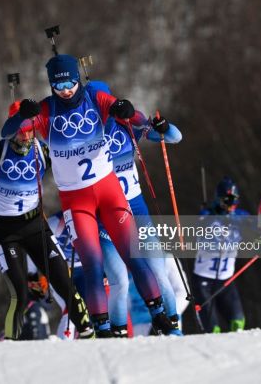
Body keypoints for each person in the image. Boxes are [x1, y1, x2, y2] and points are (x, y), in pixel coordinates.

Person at [2, 54, 178, 336]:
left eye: (70, 83)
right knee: (93, 266)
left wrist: (128, 110)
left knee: (134, 256)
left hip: (110, 194)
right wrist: (21, 115)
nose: (66, 91)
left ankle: (159, 315)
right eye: (59, 86)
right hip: (76, 201)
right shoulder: (45, 111)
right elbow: (7, 132)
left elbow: (135, 117)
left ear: (77, 79)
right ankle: (103, 329)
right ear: (51, 85)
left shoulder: (96, 99)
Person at [0, 102, 94, 340]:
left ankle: (89, 334)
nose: (26, 136)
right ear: (12, 130)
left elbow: (73, 164)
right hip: (6, 232)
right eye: (21, 131)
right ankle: (12, 344)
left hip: (35, 227)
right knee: (20, 294)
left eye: (31, 130)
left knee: (66, 285)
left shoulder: (43, 151)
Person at [96, 82, 184, 336]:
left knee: (158, 273)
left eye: (106, 104)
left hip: (136, 211)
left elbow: (174, 137)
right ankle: (118, 335)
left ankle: (173, 329)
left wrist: (163, 127)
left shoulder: (126, 123)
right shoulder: (84, 133)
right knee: (119, 283)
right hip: (106, 218)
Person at [193, 177, 248, 333]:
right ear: (218, 199)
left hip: (226, 280)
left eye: (234, 200)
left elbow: (258, 226)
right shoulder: (206, 215)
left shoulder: (240, 216)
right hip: (203, 280)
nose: (231, 204)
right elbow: (199, 230)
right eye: (227, 200)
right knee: (213, 329)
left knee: (238, 323)